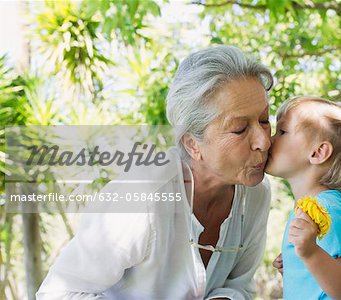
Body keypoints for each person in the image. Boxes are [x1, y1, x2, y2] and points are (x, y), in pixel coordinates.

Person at [36, 45, 273, 299]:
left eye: (264, 120)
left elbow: (240, 285)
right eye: (239, 129)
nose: (264, 141)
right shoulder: (144, 195)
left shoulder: (256, 192)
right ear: (192, 144)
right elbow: (57, 293)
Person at [266, 96, 341, 299]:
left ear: (318, 152)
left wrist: (311, 253)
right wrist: (299, 266)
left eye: (282, 132)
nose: (269, 139)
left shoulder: (327, 208)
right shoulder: (311, 206)